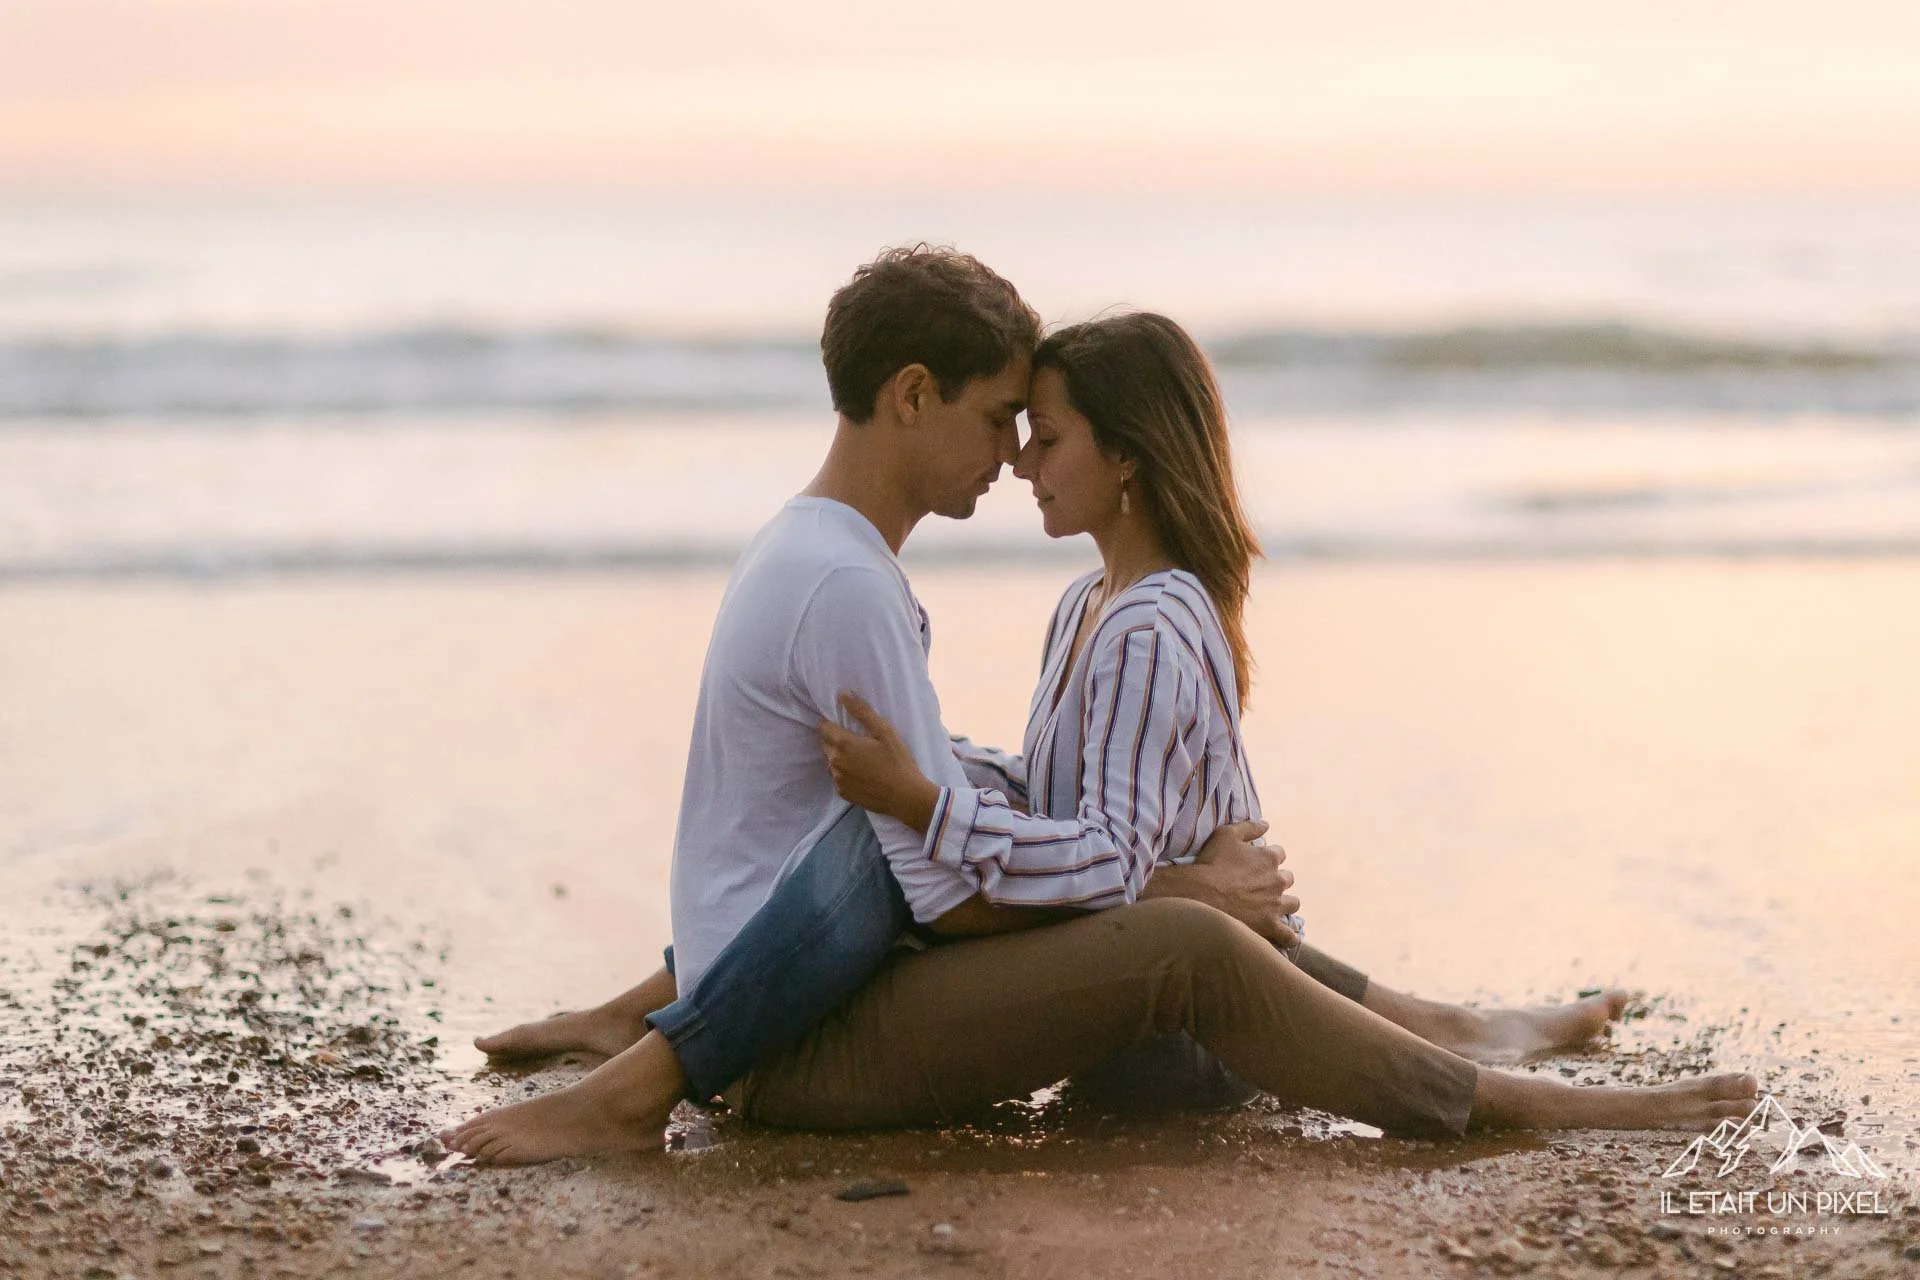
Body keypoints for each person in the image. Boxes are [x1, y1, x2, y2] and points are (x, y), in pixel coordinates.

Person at [441, 253, 1755, 1165]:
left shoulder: (825, 559)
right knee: (1181, 933)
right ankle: (1499, 1089)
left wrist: (1128, 862)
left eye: (1040, 430)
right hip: (797, 1039)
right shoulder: (852, 588)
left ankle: (1465, 1034)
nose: (1013, 455)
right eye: (1003, 417)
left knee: (1119, 875)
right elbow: (930, 886)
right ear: (912, 395)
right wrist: (1175, 888)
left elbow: (937, 843)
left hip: (802, 996)